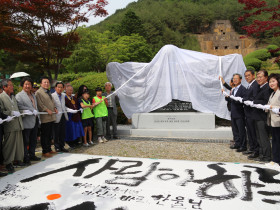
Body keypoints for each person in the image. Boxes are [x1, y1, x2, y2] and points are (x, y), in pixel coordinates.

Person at [0, 79, 24, 173]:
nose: (12, 87)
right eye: (10, 85)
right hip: (9, 125)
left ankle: (17, 159)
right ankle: (8, 162)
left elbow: (17, 108)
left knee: (18, 143)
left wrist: (22, 112)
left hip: (17, 123)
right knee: (9, 144)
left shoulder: (13, 97)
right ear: (4, 87)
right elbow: (1, 112)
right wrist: (11, 112)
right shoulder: (1, 97)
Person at [16, 77, 41, 165]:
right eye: (26, 84)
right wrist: (30, 110)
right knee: (25, 140)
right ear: (22, 85)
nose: (27, 86)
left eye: (29, 84)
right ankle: (25, 157)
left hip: (34, 120)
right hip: (26, 121)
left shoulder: (33, 94)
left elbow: (35, 106)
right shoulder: (19, 95)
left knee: (33, 139)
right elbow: (19, 106)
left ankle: (32, 154)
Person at [252, 70, 272, 163]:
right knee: (259, 137)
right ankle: (262, 154)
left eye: (260, 77)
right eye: (257, 77)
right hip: (257, 116)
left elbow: (265, 101)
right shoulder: (260, 87)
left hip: (262, 117)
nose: (258, 79)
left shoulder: (267, 88)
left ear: (266, 78)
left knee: (263, 138)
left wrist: (254, 102)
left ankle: (267, 156)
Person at [35, 76, 58, 158]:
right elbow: (39, 104)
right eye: (44, 82)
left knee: (50, 134)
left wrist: (55, 108)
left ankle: (49, 149)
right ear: (41, 83)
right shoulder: (38, 92)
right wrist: (46, 109)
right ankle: (45, 151)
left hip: (51, 116)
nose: (46, 83)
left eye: (48, 82)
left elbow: (52, 101)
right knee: (45, 135)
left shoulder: (48, 91)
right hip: (45, 117)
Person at [225, 74, 247, 152]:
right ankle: (237, 144)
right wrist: (227, 97)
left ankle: (243, 146)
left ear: (240, 80)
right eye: (233, 79)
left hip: (240, 113)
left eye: (236, 79)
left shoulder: (243, 89)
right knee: (235, 130)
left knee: (241, 130)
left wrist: (233, 99)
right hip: (233, 113)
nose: (234, 80)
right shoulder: (234, 89)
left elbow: (244, 101)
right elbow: (232, 100)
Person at [242, 70, 260, 158]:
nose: (247, 77)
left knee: (253, 132)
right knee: (250, 131)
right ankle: (252, 148)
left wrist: (246, 100)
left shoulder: (255, 85)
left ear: (253, 76)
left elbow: (254, 97)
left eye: (248, 75)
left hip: (252, 112)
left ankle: (256, 150)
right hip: (248, 112)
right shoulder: (250, 85)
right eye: (245, 76)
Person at [265, 73, 280, 169]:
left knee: (278, 141)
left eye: (273, 81)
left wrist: (271, 107)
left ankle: (277, 160)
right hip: (273, 121)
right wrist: (265, 107)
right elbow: (269, 104)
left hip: (278, 121)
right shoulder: (272, 93)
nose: (271, 83)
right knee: (275, 141)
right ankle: (275, 160)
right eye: (270, 81)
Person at [52, 81, 69, 152]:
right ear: (55, 88)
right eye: (58, 87)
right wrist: (54, 108)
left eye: (61, 87)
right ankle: (57, 146)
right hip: (56, 116)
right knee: (56, 133)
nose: (60, 89)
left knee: (62, 132)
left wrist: (69, 110)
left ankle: (62, 146)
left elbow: (64, 106)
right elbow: (52, 105)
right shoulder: (52, 95)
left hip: (63, 115)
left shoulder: (63, 95)